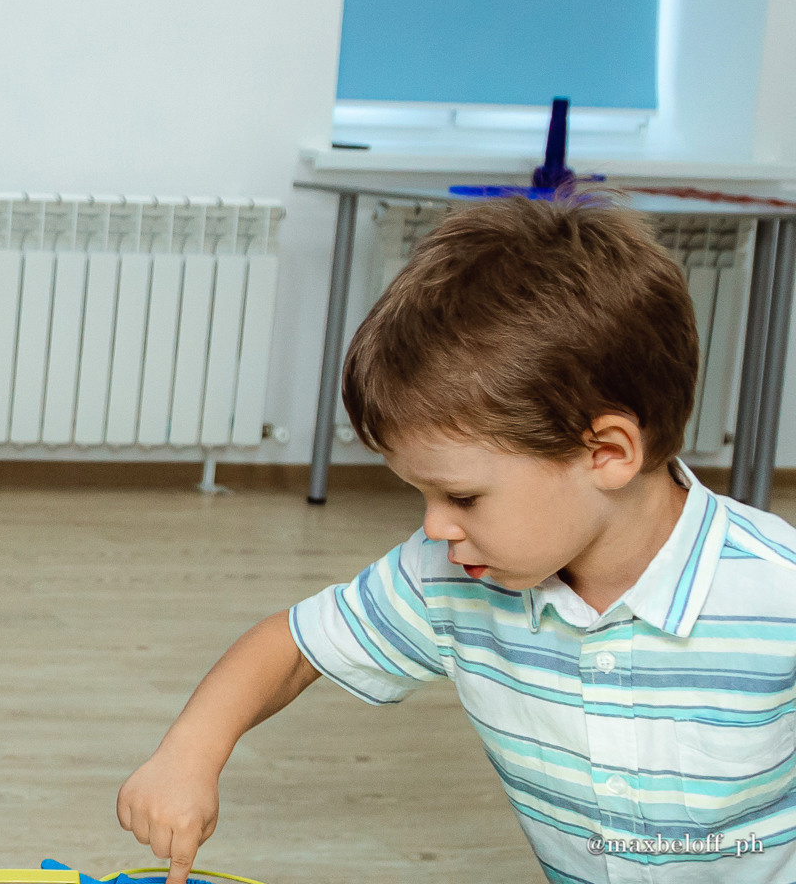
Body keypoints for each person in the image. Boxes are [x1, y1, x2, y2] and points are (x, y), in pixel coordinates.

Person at [117, 194, 796, 882]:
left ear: (608, 453)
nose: (436, 527)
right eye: (425, 495)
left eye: (463, 497)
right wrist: (190, 752)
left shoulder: (779, 591)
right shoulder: (450, 578)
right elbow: (292, 648)